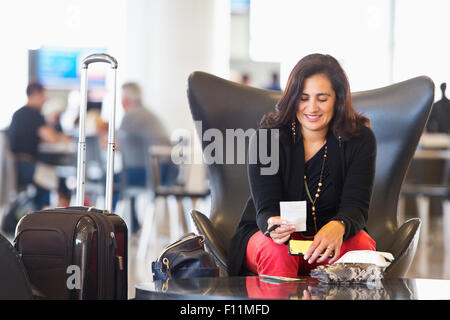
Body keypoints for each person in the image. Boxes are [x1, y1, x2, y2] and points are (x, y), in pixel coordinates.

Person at [228, 54, 377, 278]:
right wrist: (273, 225)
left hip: (331, 239)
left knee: (361, 247)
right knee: (276, 250)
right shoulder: (267, 139)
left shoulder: (360, 139)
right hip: (275, 240)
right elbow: (265, 208)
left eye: (322, 98)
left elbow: (356, 206)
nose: (312, 108)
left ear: (338, 99)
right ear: (293, 98)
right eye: (304, 98)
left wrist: (338, 225)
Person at [118, 82, 178, 232]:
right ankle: (131, 225)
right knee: (123, 178)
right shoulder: (148, 114)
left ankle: (113, 229)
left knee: (113, 180)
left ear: (125, 100)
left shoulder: (131, 115)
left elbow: (116, 142)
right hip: (168, 171)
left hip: (152, 173)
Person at [8, 82, 72, 210]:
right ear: (36, 94)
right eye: (44, 96)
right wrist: (65, 137)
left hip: (13, 167)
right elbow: (52, 138)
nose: (45, 100)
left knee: (46, 180)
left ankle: (39, 213)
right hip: (26, 167)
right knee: (59, 181)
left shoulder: (18, 114)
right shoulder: (34, 114)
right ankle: (58, 216)